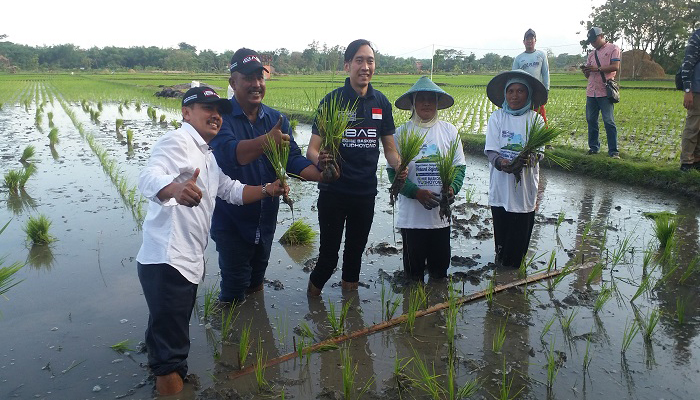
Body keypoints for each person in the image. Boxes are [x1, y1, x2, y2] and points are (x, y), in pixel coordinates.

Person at [136, 86, 286, 395]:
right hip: (168, 262)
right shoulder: (177, 141)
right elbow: (149, 175)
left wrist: (267, 189)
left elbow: (230, 190)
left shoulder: (207, 155)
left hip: (183, 263)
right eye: (207, 108)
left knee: (167, 337)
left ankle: (167, 377)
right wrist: (172, 189)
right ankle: (170, 386)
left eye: (219, 109)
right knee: (170, 355)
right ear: (186, 112)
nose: (216, 115)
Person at [209, 48, 323, 304]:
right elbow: (230, 154)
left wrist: (321, 175)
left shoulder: (275, 118)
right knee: (235, 288)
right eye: (248, 78)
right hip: (231, 220)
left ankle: (254, 332)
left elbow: (291, 157)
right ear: (233, 83)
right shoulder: (220, 118)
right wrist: (266, 140)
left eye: (260, 77)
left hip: (266, 216)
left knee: (256, 281)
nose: (256, 84)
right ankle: (231, 336)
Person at [306, 39, 402, 296]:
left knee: (354, 258)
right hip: (334, 193)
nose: (365, 66)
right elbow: (312, 148)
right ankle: (312, 305)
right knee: (328, 258)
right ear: (347, 65)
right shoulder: (333, 100)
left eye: (370, 61)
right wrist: (320, 161)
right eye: (359, 60)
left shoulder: (380, 103)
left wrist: (400, 166)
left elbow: (390, 150)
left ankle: (350, 317)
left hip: (365, 193)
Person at [387, 76, 467, 282]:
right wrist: (416, 192)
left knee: (440, 272)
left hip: (439, 217)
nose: (426, 103)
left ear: (438, 102)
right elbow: (391, 174)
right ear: (413, 102)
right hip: (412, 219)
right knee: (413, 275)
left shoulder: (449, 131)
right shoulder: (401, 133)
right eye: (421, 98)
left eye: (431, 98)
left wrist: (452, 189)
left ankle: (435, 310)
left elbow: (459, 167)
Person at [484, 70, 547, 269]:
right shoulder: (497, 118)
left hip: (524, 190)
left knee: (517, 247)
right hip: (501, 187)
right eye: (510, 91)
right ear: (505, 94)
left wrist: (524, 161)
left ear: (528, 94)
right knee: (501, 242)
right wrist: (504, 164)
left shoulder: (536, 120)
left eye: (520, 91)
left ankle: (511, 275)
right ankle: (501, 271)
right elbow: (492, 152)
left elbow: (539, 153)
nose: (514, 95)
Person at [582, 26, 621, 159]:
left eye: (594, 39)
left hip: (605, 91)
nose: (593, 42)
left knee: (608, 121)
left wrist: (597, 69)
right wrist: (587, 71)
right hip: (591, 91)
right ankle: (593, 148)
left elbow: (615, 67)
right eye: (591, 40)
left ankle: (613, 151)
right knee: (591, 120)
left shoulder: (613, 49)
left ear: (601, 36)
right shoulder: (591, 54)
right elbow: (588, 75)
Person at [512, 28, 550, 122]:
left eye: (531, 39)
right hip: (523, 92)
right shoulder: (519, 58)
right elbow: (514, 77)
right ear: (523, 42)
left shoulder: (541, 55)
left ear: (535, 41)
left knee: (540, 117)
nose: (529, 41)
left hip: (537, 91)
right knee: (524, 117)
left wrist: (546, 90)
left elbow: (545, 73)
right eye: (527, 39)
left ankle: (541, 135)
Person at [679, 28, 700, 172]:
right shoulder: (698, 36)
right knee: (693, 126)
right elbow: (688, 63)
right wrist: (688, 90)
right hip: (697, 88)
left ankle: (697, 159)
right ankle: (687, 162)